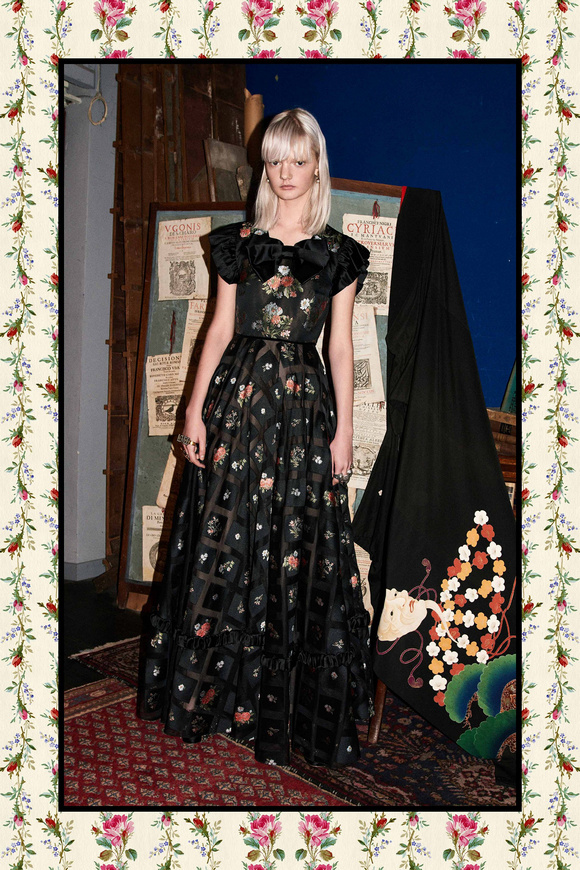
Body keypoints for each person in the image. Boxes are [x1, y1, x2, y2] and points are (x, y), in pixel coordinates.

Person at [139, 108, 373, 768]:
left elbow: (341, 345)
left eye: (298, 159)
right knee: (221, 539)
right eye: (274, 159)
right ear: (264, 167)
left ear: (316, 166)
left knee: (296, 549)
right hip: (238, 406)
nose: (285, 172)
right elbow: (217, 329)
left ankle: (279, 705)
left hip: (303, 416)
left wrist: (345, 431)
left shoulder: (340, 255)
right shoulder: (238, 244)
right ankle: (210, 697)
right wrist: (192, 412)